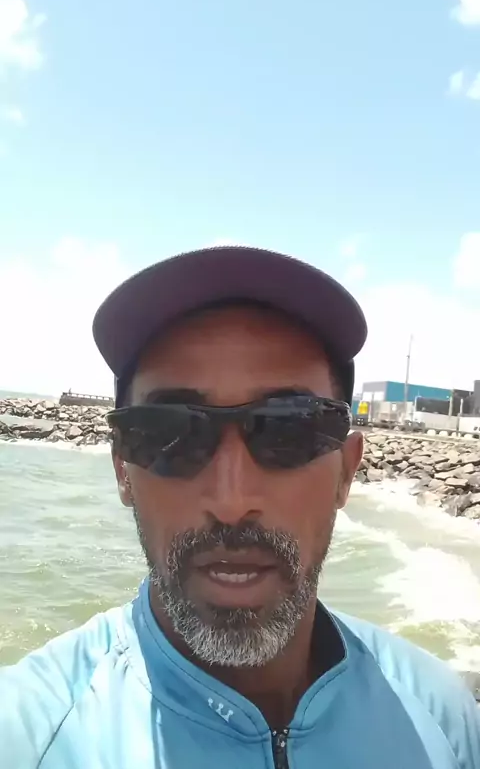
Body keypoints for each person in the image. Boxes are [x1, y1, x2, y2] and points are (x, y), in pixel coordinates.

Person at [1, 246, 479, 769]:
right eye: (171, 435)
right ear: (122, 469)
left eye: (288, 431)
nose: (231, 504)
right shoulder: (30, 736)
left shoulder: (444, 724)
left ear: (346, 472)